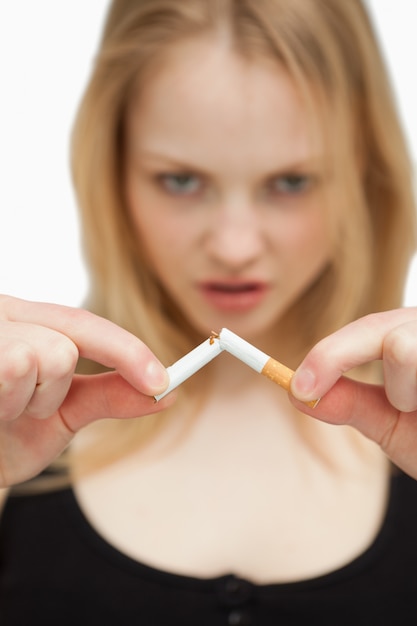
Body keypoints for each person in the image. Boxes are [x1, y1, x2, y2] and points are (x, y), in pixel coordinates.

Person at [0, 0, 416, 623]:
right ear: (111, 173)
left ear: (365, 173)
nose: (234, 246)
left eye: (292, 182)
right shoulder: (18, 427)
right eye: (182, 181)